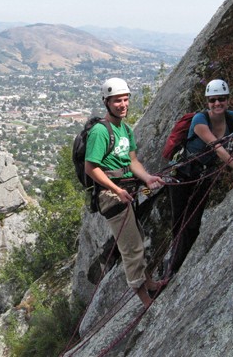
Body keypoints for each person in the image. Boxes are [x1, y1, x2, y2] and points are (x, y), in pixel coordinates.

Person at [84, 77, 165, 308]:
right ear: (107, 103)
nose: (123, 104)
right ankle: (144, 299)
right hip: (111, 196)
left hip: (125, 191)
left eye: (125, 99)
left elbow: (132, 161)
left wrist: (147, 177)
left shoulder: (126, 129)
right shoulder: (101, 131)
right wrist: (117, 190)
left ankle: (148, 283)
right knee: (131, 248)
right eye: (117, 100)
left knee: (138, 239)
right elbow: (91, 168)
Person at [166, 79, 233, 277]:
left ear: (227, 100)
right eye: (212, 100)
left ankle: (179, 265)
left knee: (194, 224)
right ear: (207, 102)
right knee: (179, 222)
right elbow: (218, 148)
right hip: (182, 175)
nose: (217, 104)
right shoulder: (200, 120)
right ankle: (172, 267)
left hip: (204, 176)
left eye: (221, 99)